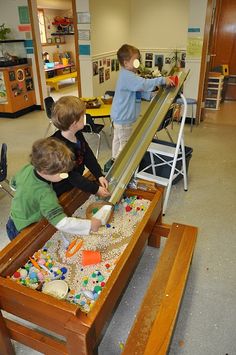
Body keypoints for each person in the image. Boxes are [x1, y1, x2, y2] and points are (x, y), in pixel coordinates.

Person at [6, 138, 101, 241]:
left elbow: (13, 184)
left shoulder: (27, 168)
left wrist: (27, 197)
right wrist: (89, 225)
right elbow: (62, 222)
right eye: (62, 173)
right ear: (45, 171)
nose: (65, 176)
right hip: (23, 228)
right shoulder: (45, 193)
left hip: (12, 219)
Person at [111, 43, 175, 161]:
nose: (138, 63)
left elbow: (137, 91)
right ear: (126, 63)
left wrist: (150, 95)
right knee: (124, 145)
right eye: (136, 60)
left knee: (118, 140)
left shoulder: (128, 75)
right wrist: (162, 80)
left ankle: (114, 160)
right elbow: (143, 84)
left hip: (120, 117)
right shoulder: (127, 76)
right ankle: (119, 167)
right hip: (123, 118)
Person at [50, 96, 110, 198]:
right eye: (83, 116)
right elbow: (72, 177)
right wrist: (95, 189)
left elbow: (87, 154)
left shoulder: (77, 134)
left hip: (76, 181)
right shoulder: (59, 148)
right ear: (74, 123)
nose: (84, 117)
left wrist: (99, 175)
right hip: (62, 189)